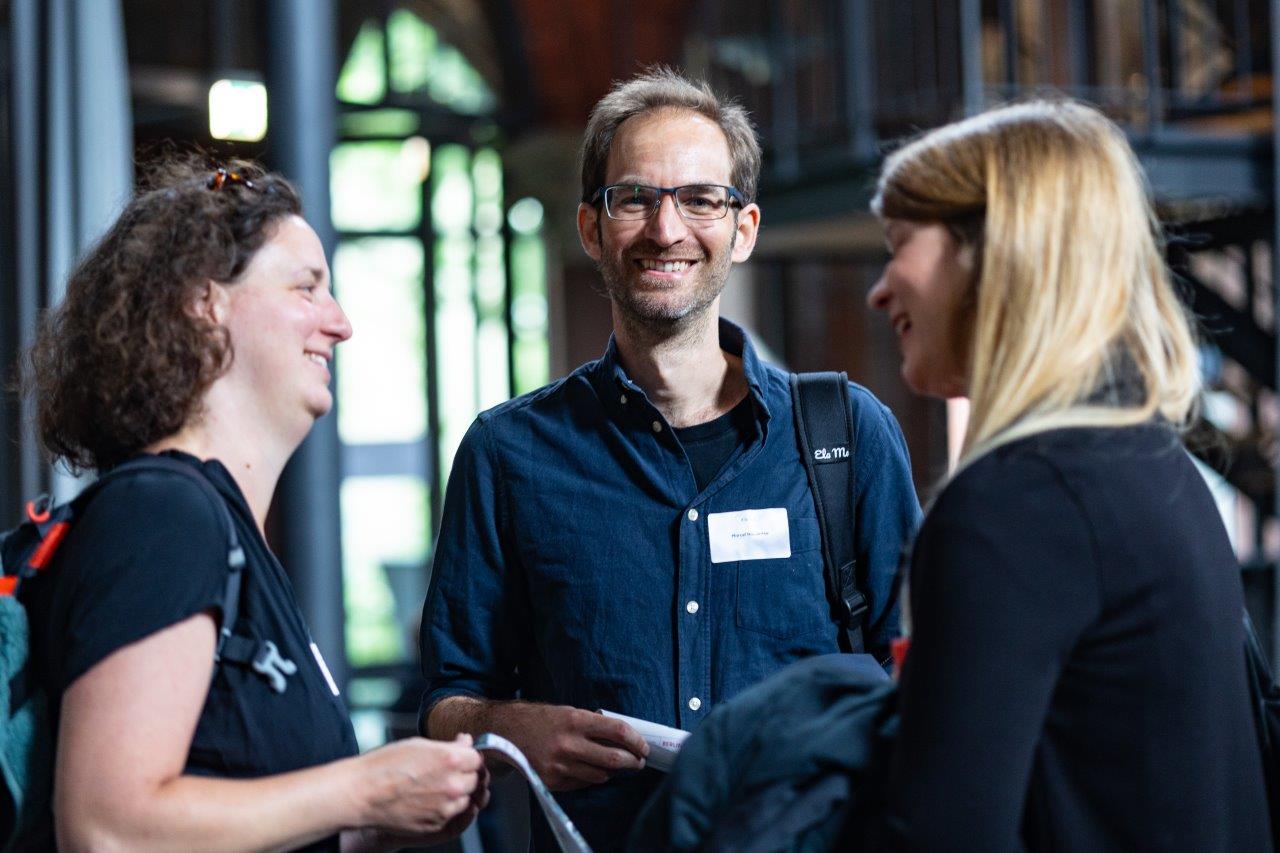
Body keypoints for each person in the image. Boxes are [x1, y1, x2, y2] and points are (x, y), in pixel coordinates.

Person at [420, 68, 920, 850]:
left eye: (699, 198)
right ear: (592, 227)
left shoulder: (846, 436)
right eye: (635, 198)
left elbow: (918, 684)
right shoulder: (508, 452)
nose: (666, 228)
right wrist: (510, 724)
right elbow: (447, 699)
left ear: (743, 228)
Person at [25, 159, 487, 852]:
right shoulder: (163, 513)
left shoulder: (226, 529)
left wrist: (386, 813)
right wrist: (362, 788)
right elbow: (108, 826)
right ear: (204, 302)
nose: (341, 323)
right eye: (308, 287)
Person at [866, 100, 1271, 848]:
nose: (880, 287)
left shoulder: (1012, 507)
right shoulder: (1150, 464)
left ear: (992, 249)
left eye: (898, 244)